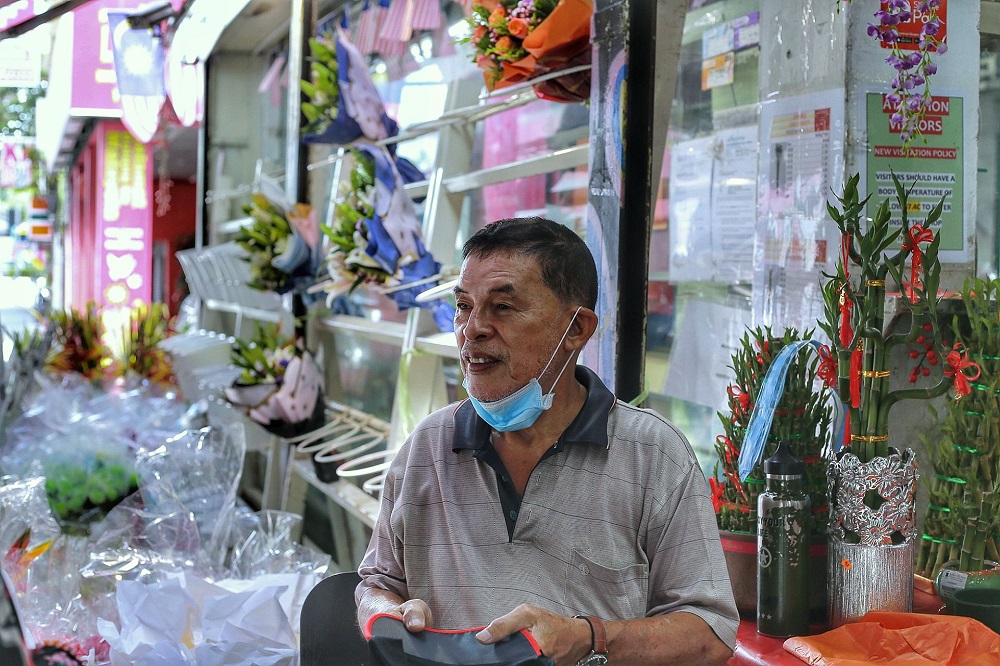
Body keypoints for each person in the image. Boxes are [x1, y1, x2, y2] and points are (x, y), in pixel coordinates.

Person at [356, 217, 738, 665]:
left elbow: (710, 635)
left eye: (503, 307)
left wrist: (589, 638)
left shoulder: (652, 454)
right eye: (463, 306)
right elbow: (376, 583)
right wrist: (390, 614)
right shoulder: (428, 446)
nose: (472, 329)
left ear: (576, 329)